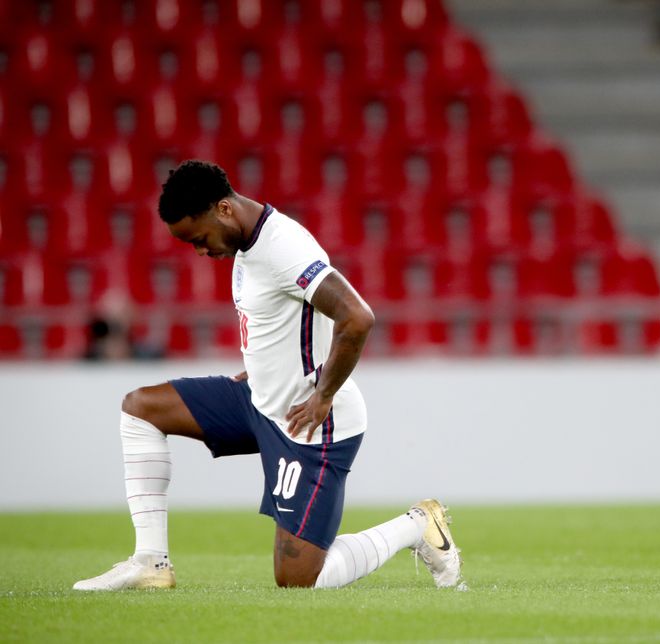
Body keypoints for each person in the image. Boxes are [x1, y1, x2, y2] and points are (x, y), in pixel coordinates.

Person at [74, 160, 462, 590]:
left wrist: (324, 394)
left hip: (308, 421)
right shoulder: (246, 246)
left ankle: (418, 524)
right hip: (258, 399)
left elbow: (357, 317)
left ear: (223, 209)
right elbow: (285, 319)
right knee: (141, 408)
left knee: (298, 580)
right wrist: (260, 363)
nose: (201, 253)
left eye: (199, 240)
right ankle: (150, 562)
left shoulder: (284, 248)